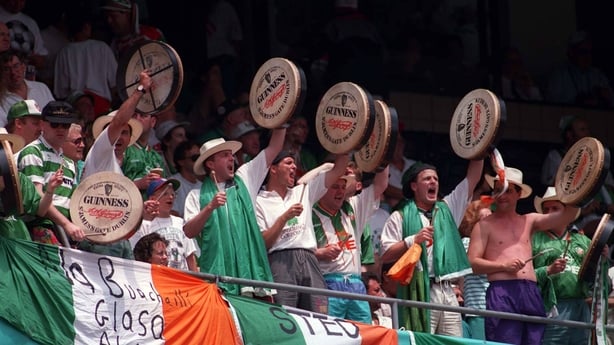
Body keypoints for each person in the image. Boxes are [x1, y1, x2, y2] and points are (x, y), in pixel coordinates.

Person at [467, 167, 580, 345]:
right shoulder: (484, 225)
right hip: (503, 291)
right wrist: (503, 266)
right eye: (498, 190)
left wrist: (580, 185)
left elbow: (568, 215)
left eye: (508, 190)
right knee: (504, 342)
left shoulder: (529, 220)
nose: (502, 195)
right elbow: (472, 263)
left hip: (530, 291)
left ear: (519, 194)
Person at [380, 159, 484, 336]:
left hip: (448, 291)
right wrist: (413, 240)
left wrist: (479, 145)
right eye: (427, 179)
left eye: (435, 179)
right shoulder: (400, 216)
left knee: (453, 342)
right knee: (421, 340)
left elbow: (472, 179)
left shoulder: (447, 209)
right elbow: (386, 255)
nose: (433, 182)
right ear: (414, 186)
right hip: (418, 290)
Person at [183, 124, 287, 298]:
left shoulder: (245, 178)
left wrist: (281, 119)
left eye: (231, 155)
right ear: (210, 164)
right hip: (216, 277)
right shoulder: (196, 195)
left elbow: (274, 147)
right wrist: (210, 207)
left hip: (250, 276)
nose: (232, 159)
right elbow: (189, 231)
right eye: (225, 155)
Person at [256, 154, 349, 313]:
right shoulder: (259, 200)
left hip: (310, 259)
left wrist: (347, 140)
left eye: (295, 164)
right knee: (284, 316)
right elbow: (264, 243)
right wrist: (285, 218)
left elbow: (339, 168)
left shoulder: (304, 190)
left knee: (319, 314)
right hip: (280, 261)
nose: (294, 167)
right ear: (273, 168)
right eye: (288, 163)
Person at [312, 162, 388, 323]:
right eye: (335, 187)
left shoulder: (353, 207)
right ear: (322, 188)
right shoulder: (309, 211)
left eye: (343, 187)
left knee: (363, 335)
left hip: (356, 285)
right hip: (328, 283)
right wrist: (319, 253)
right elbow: (299, 250)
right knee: (329, 335)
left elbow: (381, 184)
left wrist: (384, 152)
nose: (340, 191)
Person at [17, 101, 84, 244]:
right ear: (42, 125)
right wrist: (67, 225)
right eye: (54, 124)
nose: (60, 129)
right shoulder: (33, 152)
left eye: (65, 125)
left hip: (67, 229)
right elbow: (36, 199)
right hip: (41, 225)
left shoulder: (69, 162)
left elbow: (73, 202)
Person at [531, 187, 590, 345]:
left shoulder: (584, 241)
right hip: (552, 306)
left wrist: (602, 258)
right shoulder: (533, 239)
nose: (550, 212)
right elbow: (522, 276)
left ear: (566, 212)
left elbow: (597, 277)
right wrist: (547, 270)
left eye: (555, 208)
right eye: (546, 209)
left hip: (581, 306)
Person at [81, 70, 149, 180]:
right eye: (116, 131)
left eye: (124, 133)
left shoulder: (120, 164)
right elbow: (118, 122)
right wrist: (141, 89)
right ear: (103, 135)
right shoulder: (100, 150)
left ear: (130, 138)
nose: (119, 137)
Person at [54, 8, 117, 116]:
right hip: (101, 105)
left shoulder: (65, 52)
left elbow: (60, 91)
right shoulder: (102, 47)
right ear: (87, 27)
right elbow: (115, 84)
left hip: (76, 104)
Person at [0, 127, 60, 241]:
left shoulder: (20, 180)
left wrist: (50, 190)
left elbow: (40, 210)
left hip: (16, 237)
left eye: (7, 147)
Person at [131, 178, 198, 271]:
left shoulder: (180, 222)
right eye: (165, 193)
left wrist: (197, 279)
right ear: (152, 199)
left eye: (172, 194)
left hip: (182, 278)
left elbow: (189, 256)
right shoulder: (144, 224)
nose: (170, 197)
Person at [546, 31, 614, 108]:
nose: (587, 56)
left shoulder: (598, 75)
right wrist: (576, 102)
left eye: (589, 52)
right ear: (571, 53)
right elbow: (551, 104)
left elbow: (611, 99)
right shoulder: (559, 75)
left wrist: (605, 97)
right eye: (583, 52)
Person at [458, 199, 492, 340]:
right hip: (478, 309)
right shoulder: (466, 243)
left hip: (499, 308)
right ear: (474, 222)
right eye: (485, 219)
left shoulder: (494, 244)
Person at [0, 50, 54, 126]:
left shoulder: (41, 88)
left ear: (23, 67)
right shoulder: (1, 99)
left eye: (16, 66)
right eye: (6, 69)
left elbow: (55, 115)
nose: (13, 72)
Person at [122, 110, 166, 194]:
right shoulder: (122, 150)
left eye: (143, 115)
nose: (137, 119)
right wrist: (138, 184)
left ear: (153, 122)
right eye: (134, 115)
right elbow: (113, 183)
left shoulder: (157, 157)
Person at [0, 0, 47, 74]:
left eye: (21, 0)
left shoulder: (31, 23)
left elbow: (41, 61)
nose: (17, 3)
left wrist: (27, 58)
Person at [170, 140, 202, 218]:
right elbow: (171, 213)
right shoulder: (172, 183)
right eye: (195, 158)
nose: (199, 161)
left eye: (200, 157)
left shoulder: (202, 185)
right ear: (181, 162)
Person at [384, 133, 415, 210]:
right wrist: (413, 195)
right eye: (394, 142)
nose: (397, 146)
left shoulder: (414, 165)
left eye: (400, 142)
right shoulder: (383, 167)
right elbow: (386, 189)